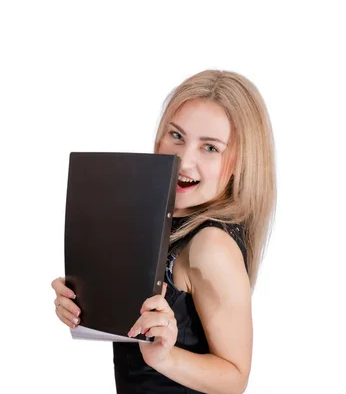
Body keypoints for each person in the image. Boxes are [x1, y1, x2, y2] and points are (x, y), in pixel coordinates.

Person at [51, 69, 276, 393]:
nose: (184, 160)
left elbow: (235, 378)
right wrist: (80, 301)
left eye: (210, 148)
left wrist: (165, 358)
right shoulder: (155, 220)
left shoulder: (211, 245)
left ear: (242, 161)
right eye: (177, 136)